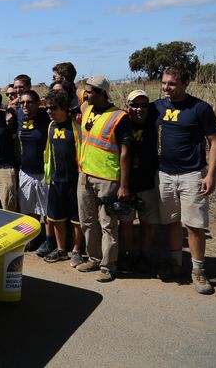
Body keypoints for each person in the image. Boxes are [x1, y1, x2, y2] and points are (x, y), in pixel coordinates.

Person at [153, 66, 216, 295]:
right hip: (164, 175)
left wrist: (210, 175)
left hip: (192, 175)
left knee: (195, 225)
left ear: (185, 83)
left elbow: (215, 142)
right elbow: (132, 114)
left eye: (171, 83)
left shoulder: (200, 108)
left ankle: (198, 271)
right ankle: (175, 264)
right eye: (163, 83)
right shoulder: (158, 107)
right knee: (171, 221)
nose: (166, 87)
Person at [75, 75, 131, 282]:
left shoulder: (119, 117)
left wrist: (123, 185)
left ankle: (108, 266)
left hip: (107, 178)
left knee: (107, 223)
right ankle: (94, 258)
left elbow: (125, 152)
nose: (86, 94)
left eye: (89, 92)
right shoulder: (86, 109)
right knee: (87, 221)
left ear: (102, 93)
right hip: (85, 174)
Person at [118, 90, 159, 273]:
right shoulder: (121, 122)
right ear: (127, 107)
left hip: (148, 181)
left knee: (146, 221)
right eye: (134, 105)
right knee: (126, 221)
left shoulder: (153, 119)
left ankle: (144, 255)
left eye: (144, 105)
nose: (139, 109)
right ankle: (127, 254)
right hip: (126, 183)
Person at [42, 90, 84, 266]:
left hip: (74, 180)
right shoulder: (51, 126)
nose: (49, 111)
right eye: (47, 108)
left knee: (76, 219)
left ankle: (76, 250)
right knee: (56, 218)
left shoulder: (76, 125)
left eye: (53, 108)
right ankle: (61, 250)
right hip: (56, 180)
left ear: (64, 108)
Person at [15, 90, 52, 256]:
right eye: (22, 103)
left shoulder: (46, 117)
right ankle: (32, 238)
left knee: (47, 211)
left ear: (38, 103)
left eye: (29, 102)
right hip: (26, 171)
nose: (25, 105)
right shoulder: (18, 116)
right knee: (29, 210)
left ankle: (50, 241)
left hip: (44, 172)